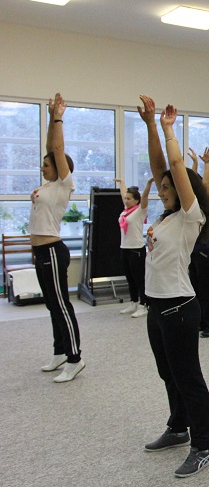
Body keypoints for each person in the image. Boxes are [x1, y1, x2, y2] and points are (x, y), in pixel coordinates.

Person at [139, 95, 209, 478]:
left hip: (179, 308)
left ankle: (203, 447)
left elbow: (172, 166)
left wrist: (169, 130)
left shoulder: (191, 217)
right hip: (156, 307)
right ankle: (178, 427)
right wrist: (150, 125)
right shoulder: (168, 217)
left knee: (188, 377)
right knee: (167, 373)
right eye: (162, 186)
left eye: (169, 186)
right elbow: (160, 167)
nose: (162, 188)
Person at [33, 93, 84, 383]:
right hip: (40, 252)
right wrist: (50, 116)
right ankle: (60, 351)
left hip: (53, 250)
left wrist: (59, 118)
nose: (43, 167)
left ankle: (75, 358)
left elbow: (56, 148)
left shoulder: (64, 185)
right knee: (51, 304)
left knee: (62, 304)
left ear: (61, 168)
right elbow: (49, 147)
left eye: (47, 165)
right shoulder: (47, 186)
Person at [187, 147, 209, 338]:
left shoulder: (207, 205)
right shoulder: (190, 205)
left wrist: (206, 164)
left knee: (206, 290)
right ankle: (202, 321)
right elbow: (189, 182)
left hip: (204, 252)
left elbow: (205, 184)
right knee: (195, 289)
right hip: (193, 251)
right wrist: (194, 164)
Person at [114, 176, 153, 319]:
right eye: (125, 198)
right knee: (130, 278)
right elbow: (123, 193)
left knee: (139, 279)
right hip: (124, 248)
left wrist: (148, 183)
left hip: (136, 249)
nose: (126, 200)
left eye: (129, 199)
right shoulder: (126, 211)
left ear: (136, 201)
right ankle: (134, 302)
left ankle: (144, 305)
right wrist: (122, 182)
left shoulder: (140, 211)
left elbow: (145, 196)